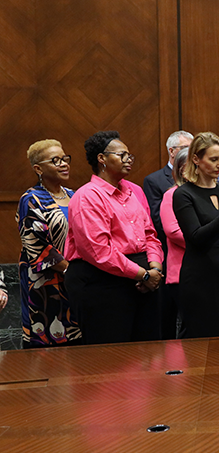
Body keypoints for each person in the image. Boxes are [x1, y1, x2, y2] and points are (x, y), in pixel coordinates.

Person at [65, 131, 163, 345]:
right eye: (122, 155)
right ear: (102, 159)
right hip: (102, 280)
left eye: (130, 156)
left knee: (148, 350)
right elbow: (98, 251)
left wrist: (154, 269)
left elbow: (150, 236)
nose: (128, 160)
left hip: (142, 276)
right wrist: (143, 275)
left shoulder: (132, 192)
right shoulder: (87, 196)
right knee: (112, 356)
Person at [173, 132, 219, 338]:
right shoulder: (184, 194)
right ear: (196, 159)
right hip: (200, 277)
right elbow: (196, 236)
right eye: (213, 159)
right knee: (201, 341)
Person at [16, 140, 81, 347]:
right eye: (55, 161)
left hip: (76, 281)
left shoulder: (74, 195)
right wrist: (71, 271)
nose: (63, 164)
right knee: (52, 348)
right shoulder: (32, 199)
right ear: (38, 169)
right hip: (46, 285)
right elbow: (37, 246)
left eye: (65, 159)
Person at [142, 130, 193, 249]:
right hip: (172, 246)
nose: (190, 153)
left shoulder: (199, 178)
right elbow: (157, 219)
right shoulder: (154, 180)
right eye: (185, 148)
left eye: (192, 148)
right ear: (171, 151)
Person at [158, 148, 188, 339]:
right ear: (183, 169)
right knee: (187, 327)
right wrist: (209, 239)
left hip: (208, 270)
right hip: (182, 272)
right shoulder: (172, 194)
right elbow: (174, 231)